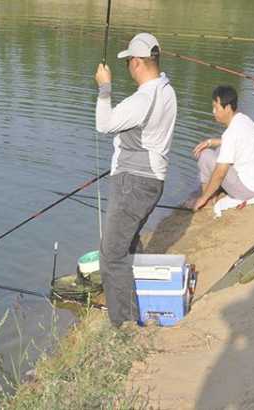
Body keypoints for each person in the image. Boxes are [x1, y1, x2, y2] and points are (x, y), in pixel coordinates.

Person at [94, 33, 177, 327]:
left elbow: (103, 124)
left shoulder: (143, 98)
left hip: (134, 184)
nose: (128, 65)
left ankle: (125, 328)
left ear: (139, 62)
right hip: (152, 180)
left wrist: (105, 88)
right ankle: (142, 304)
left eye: (129, 60)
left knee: (111, 257)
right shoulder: (167, 89)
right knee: (128, 244)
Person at [192, 86, 254, 211]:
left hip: (248, 190)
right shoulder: (243, 119)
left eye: (216, 107)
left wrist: (203, 198)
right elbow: (238, 142)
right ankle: (212, 193)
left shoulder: (231, 132)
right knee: (218, 150)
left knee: (205, 155)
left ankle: (206, 198)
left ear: (227, 108)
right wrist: (211, 142)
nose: (213, 111)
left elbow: (220, 172)